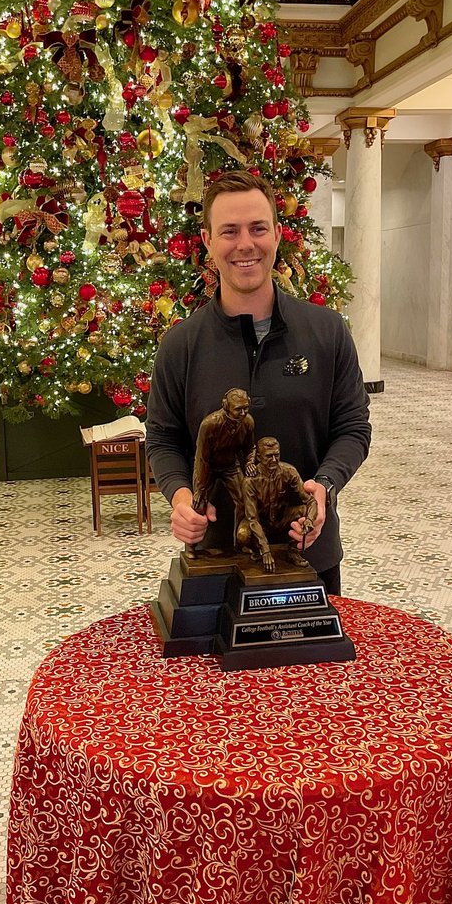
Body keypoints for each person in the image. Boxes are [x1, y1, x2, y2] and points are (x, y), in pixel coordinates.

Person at [146, 169, 371, 596]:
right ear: (208, 242)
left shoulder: (327, 332)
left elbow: (353, 428)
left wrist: (323, 488)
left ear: (278, 234)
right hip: (215, 563)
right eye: (229, 231)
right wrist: (178, 496)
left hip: (309, 556)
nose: (245, 244)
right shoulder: (181, 345)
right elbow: (162, 438)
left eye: (257, 228)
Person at [238, 436, 318, 573]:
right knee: (242, 534)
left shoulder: (289, 471)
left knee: (305, 511)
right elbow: (252, 518)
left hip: (282, 517)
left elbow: (310, 501)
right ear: (258, 456)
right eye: (269, 456)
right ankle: (256, 550)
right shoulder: (250, 481)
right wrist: (265, 551)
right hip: (261, 522)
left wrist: (310, 520)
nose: (274, 460)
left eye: (277, 455)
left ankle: (293, 551)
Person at [190, 387, 256, 549]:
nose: (243, 413)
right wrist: (200, 488)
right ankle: (191, 546)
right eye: (238, 409)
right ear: (226, 406)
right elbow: (201, 458)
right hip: (208, 467)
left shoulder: (247, 422)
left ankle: (240, 543)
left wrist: (250, 462)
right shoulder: (210, 424)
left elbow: (250, 448)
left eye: (246, 408)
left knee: (245, 501)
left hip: (230, 466)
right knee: (199, 504)